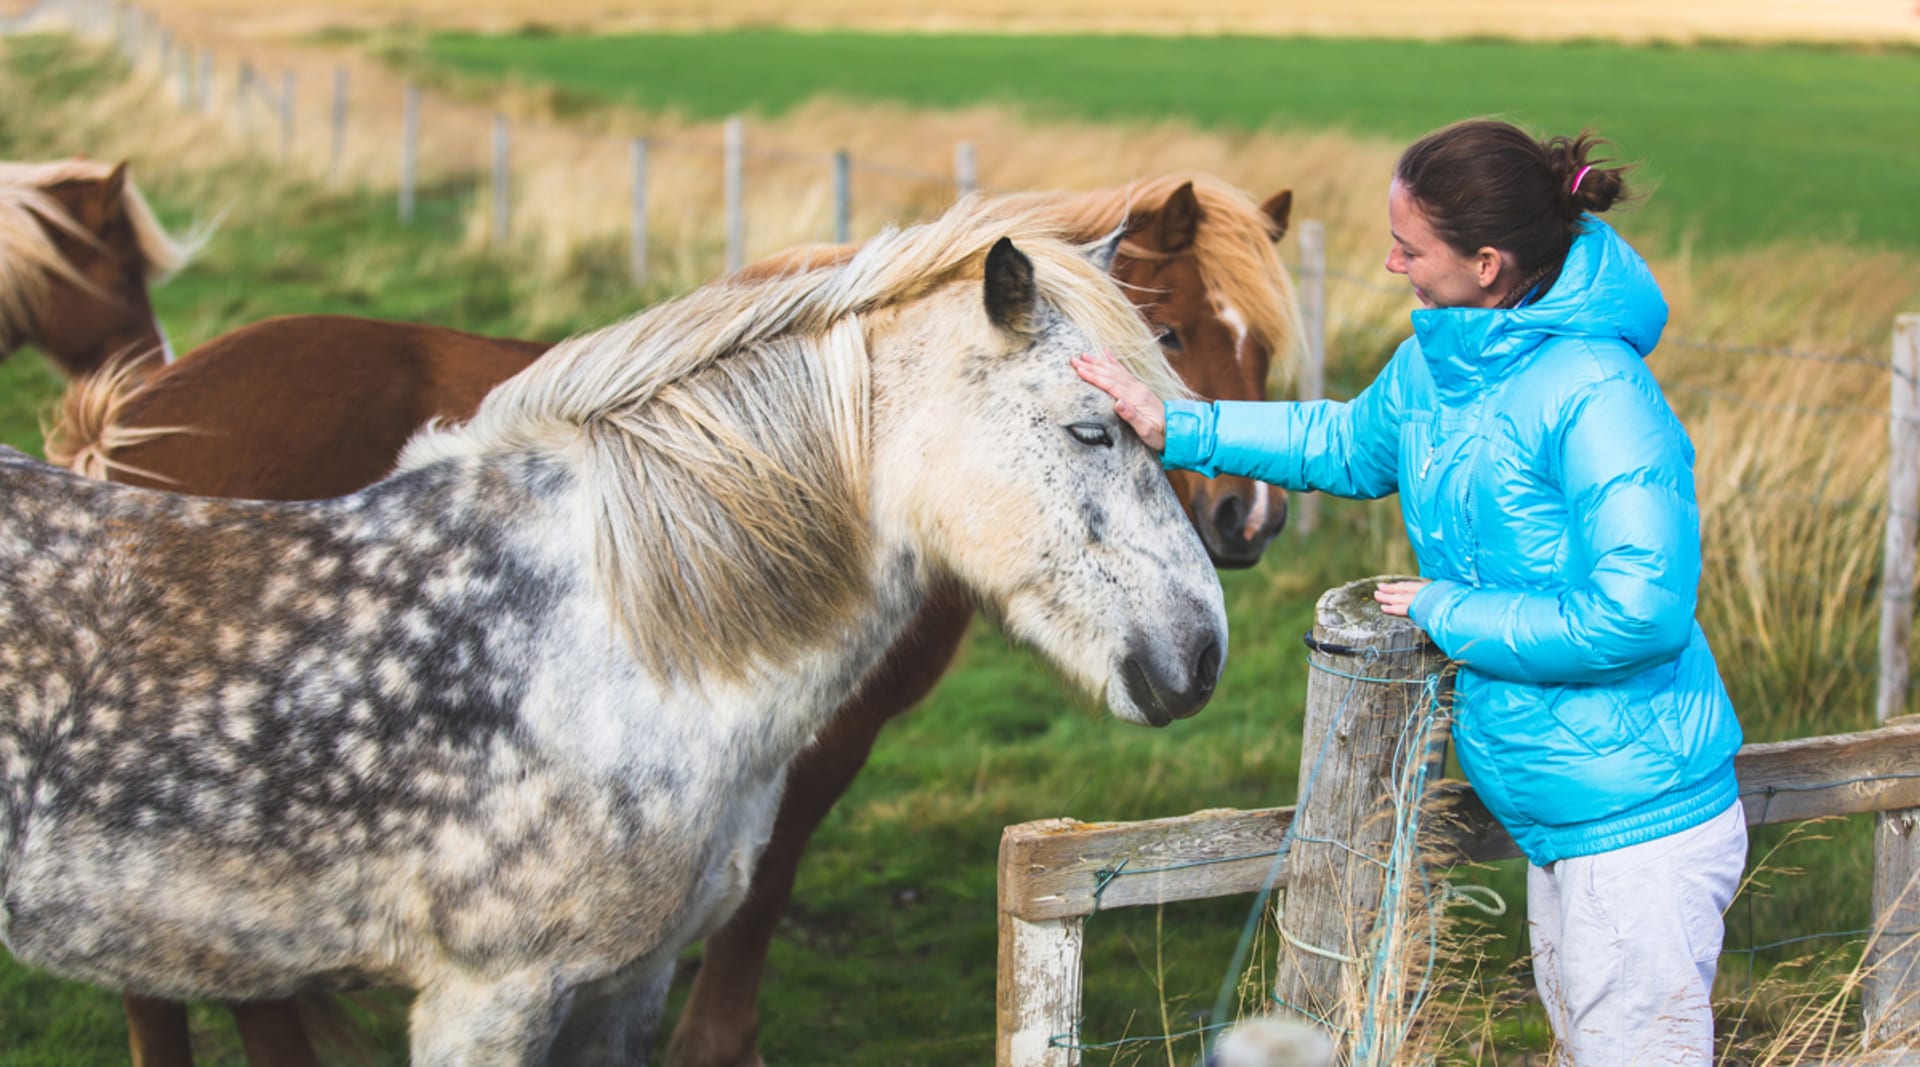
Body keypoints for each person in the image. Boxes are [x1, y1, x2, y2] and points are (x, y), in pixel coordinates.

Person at [1074, 118, 1746, 1065]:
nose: (1391, 264)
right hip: (1567, 810)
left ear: (1485, 263)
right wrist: (1179, 425)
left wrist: (1445, 610)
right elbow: (1346, 443)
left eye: (1410, 246)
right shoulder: (1445, 360)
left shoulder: (1599, 391)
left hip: (1641, 822)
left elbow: (1638, 613)